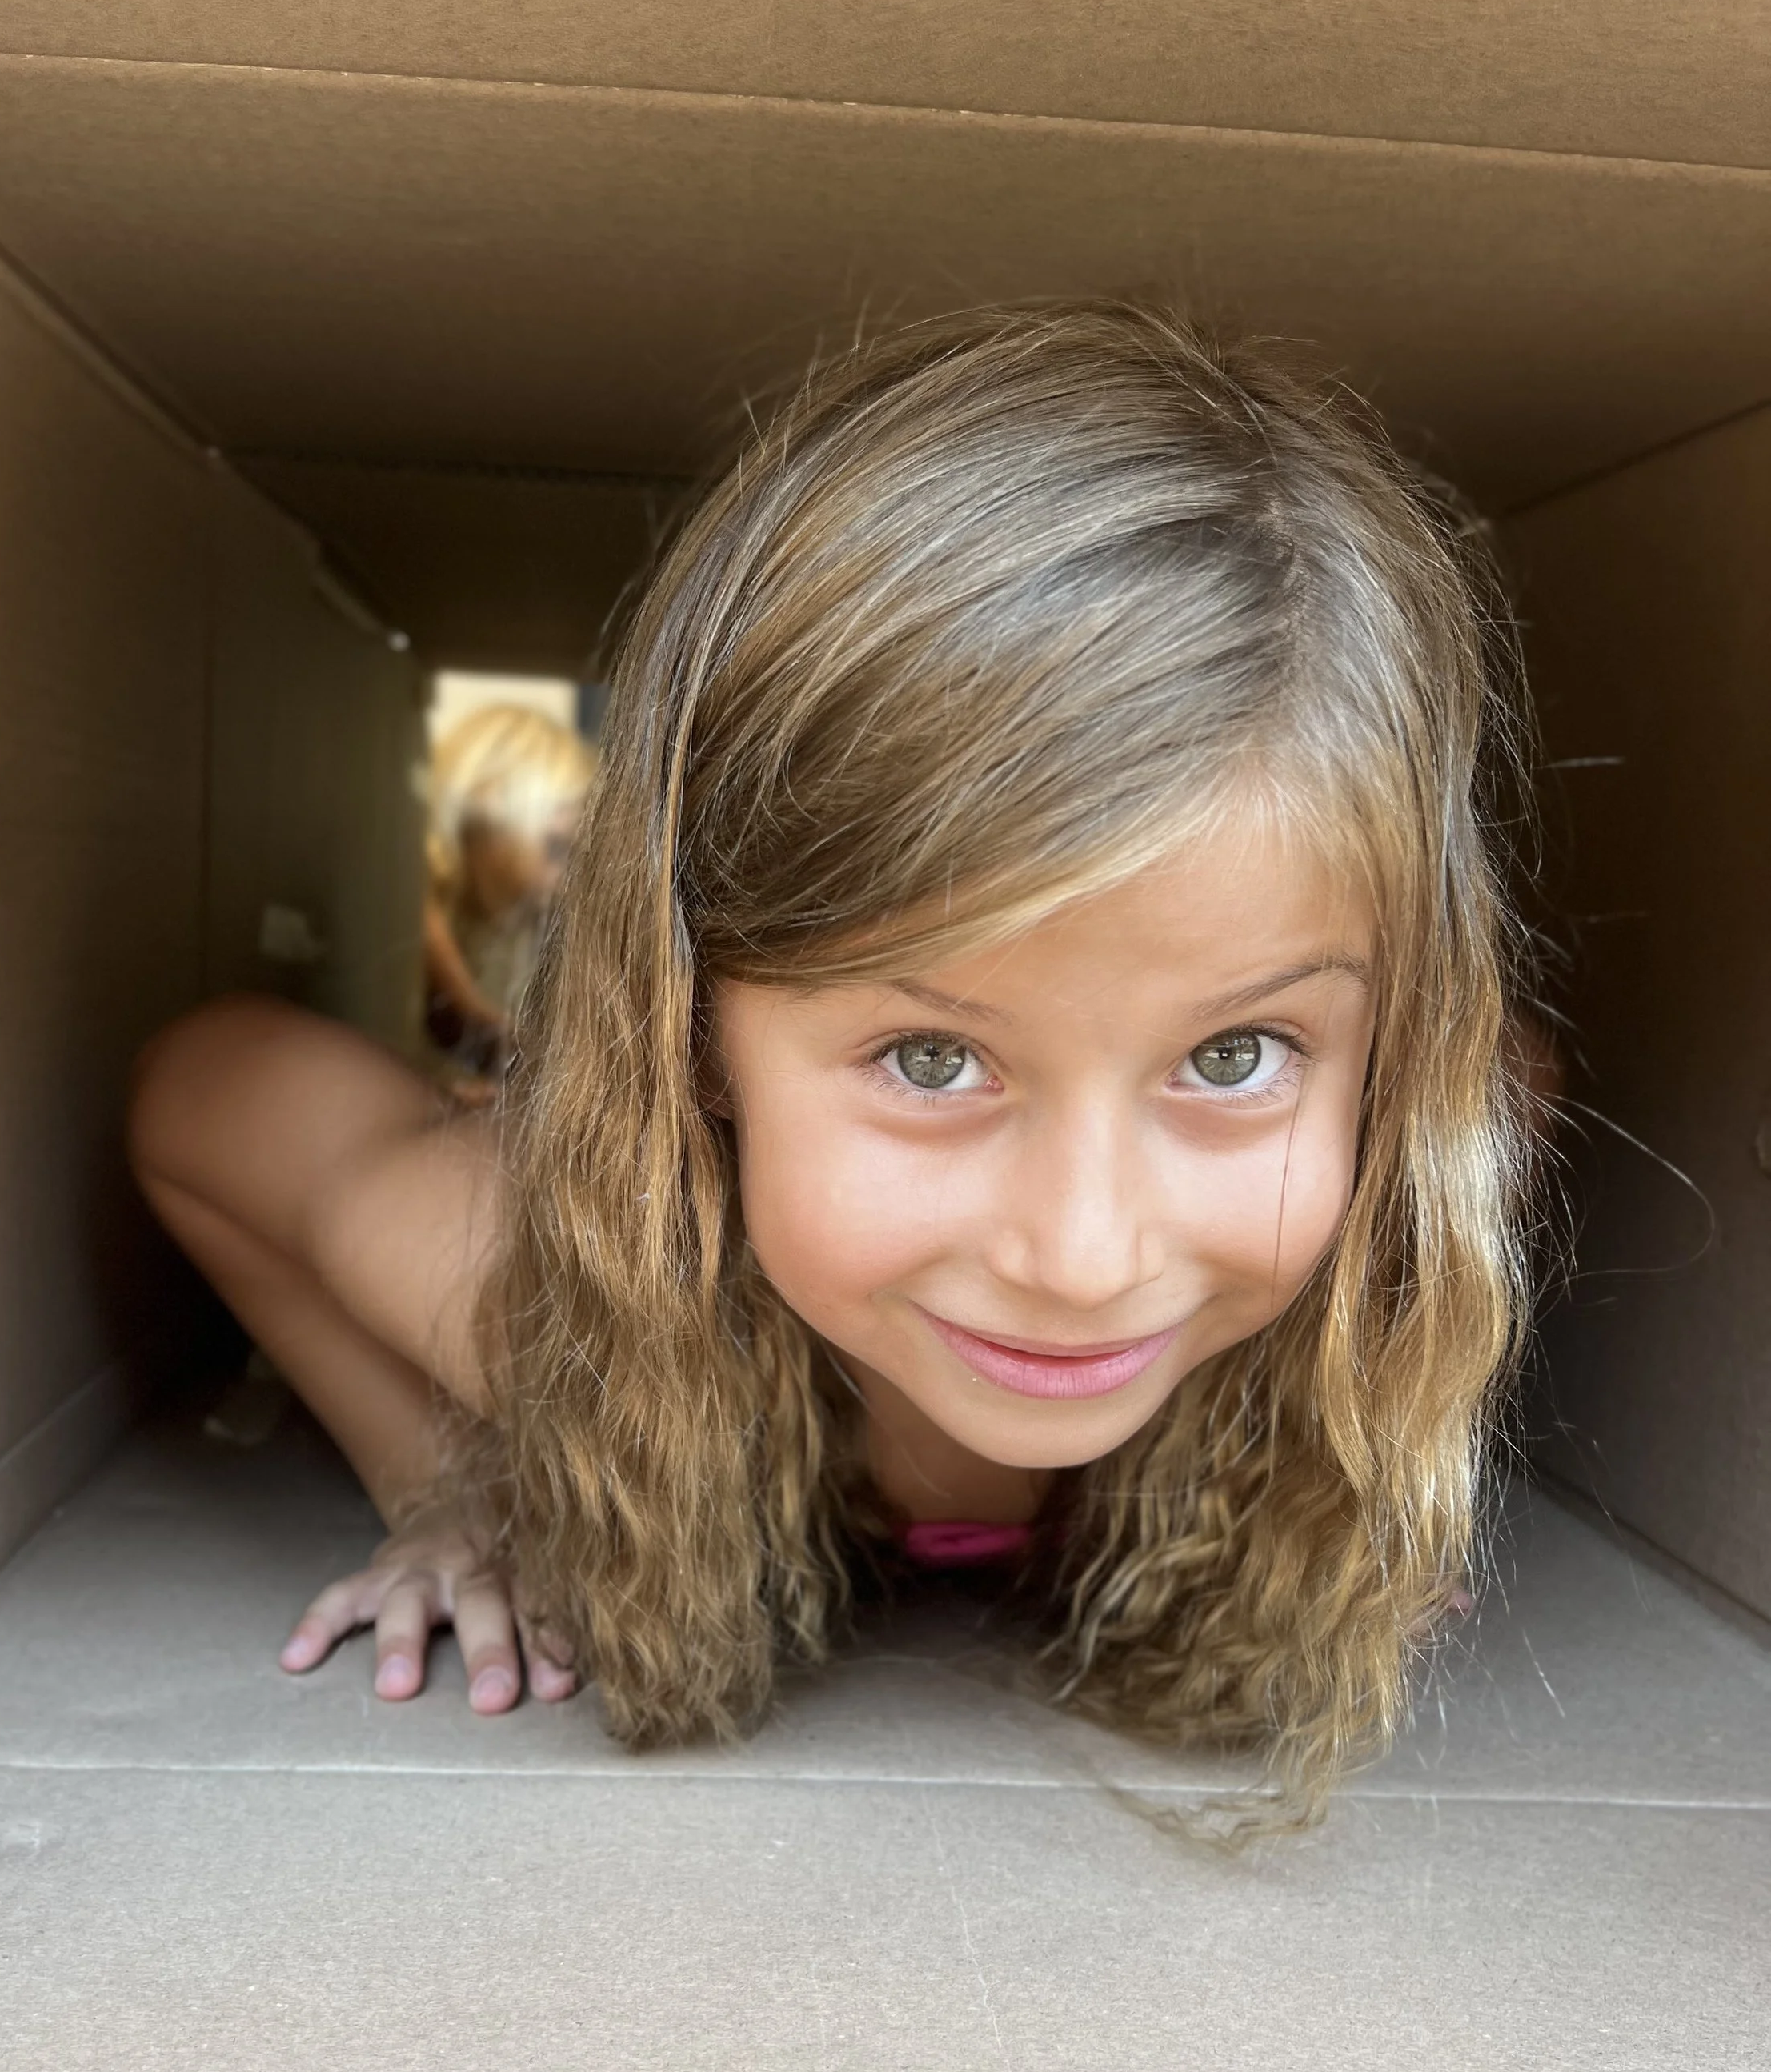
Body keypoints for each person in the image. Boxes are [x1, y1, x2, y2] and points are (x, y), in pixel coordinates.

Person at [130, 306, 1539, 1823]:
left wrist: (1377, 1452)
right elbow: (203, 1097)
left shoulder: (1382, 1245)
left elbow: (1519, 1076)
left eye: (1237, 1050)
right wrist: (445, 1485)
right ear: (694, 1029)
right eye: (932, 1057)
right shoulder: (559, 1307)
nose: (1080, 1255)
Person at [419, 699, 595, 1102]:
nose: (565, 882)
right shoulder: (417, 911)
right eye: (555, 849)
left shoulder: (496, 922)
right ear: (490, 820)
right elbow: (468, 1028)